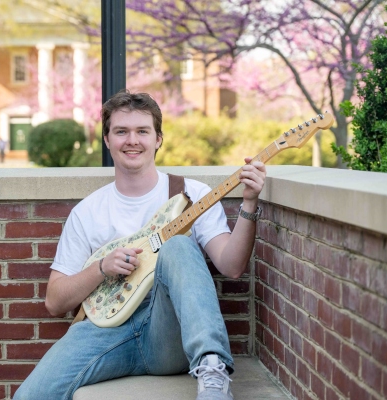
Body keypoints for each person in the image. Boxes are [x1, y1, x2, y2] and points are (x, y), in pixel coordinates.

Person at [14, 90, 266, 400]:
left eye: (142, 131)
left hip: (167, 333)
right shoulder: (88, 211)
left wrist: (250, 204)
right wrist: (101, 269)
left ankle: (213, 373)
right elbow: (54, 301)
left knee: (178, 246)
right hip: (104, 333)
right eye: (121, 131)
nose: (132, 140)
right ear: (107, 140)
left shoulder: (193, 194)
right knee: (30, 396)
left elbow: (232, 265)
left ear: (158, 139)